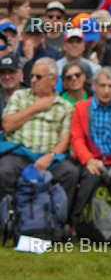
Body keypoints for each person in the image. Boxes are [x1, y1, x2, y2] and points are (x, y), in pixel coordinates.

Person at [0, 59, 78, 205]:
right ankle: (7, 220)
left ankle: (60, 222)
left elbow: (64, 140)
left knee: (71, 173)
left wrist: (50, 156)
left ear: (53, 80)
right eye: (32, 76)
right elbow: (7, 125)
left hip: (49, 157)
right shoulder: (19, 96)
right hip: (20, 154)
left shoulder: (65, 106)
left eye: (39, 77)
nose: (34, 80)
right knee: (3, 171)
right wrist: (36, 107)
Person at [69, 67, 111, 228]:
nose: (106, 90)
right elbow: (77, 139)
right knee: (89, 178)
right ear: (94, 86)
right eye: (103, 85)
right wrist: (88, 159)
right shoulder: (81, 108)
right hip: (92, 159)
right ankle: (75, 225)